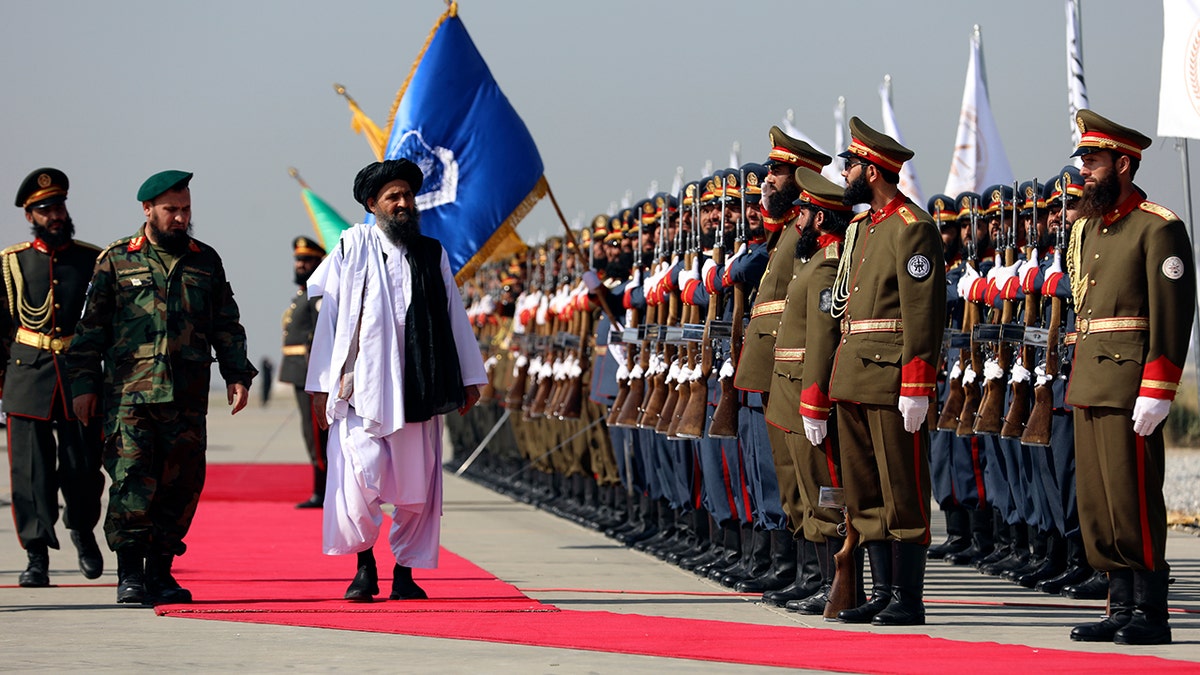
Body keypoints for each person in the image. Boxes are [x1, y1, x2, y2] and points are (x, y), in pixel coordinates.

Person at [68, 170, 257, 605]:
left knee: (181, 486)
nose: (180, 218)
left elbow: (225, 323)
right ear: (148, 210)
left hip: (187, 399)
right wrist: (83, 385)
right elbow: (90, 331)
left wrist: (236, 374)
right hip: (129, 399)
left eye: (186, 209)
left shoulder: (205, 260)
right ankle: (130, 574)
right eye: (171, 210)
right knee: (132, 482)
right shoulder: (116, 260)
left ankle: (161, 573)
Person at [305, 158, 486, 602]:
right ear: (373, 204)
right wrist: (321, 383)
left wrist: (468, 376)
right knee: (357, 478)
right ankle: (364, 567)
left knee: (415, 485)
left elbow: (454, 318)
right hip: (360, 387)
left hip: (419, 384)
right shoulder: (350, 247)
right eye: (393, 197)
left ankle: (405, 573)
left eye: (407, 195)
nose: (403, 203)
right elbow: (328, 317)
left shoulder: (432, 253)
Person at [1063, 110, 1194, 646]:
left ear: (1123, 163)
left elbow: (1173, 312)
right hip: (1092, 382)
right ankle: (1120, 606)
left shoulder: (1158, 227)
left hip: (1130, 385)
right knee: (1099, 504)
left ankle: (1150, 612)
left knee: (1134, 498)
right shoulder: (1088, 228)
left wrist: (1158, 389)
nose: (1084, 173)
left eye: (1092, 163)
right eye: (1084, 162)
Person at [828, 117, 945, 626]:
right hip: (853, 373)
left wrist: (917, 384)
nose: (846, 172)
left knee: (902, 488)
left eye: (851, 164)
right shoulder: (859, 229)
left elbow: (924, 313)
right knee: (865, 490)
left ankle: (908, 598)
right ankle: (880, 593)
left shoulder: (911, 228)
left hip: (893, 378)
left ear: (873, 171)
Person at [0, 168, 105, 587]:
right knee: (30, 474)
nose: (55, 215)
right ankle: (37, 555)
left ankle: (81, 528)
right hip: (27, 377)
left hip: (78, 376)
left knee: (82, 469)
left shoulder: (91, 259)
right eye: (46, 210)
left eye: (59, 206)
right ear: (31, 215)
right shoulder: (12, 263)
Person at [281, 236, 329, 508]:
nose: (300, 264)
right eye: (298, 260)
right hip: (299, 372)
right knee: (310, 435)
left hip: (311, 373)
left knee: (317, 435)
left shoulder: (317, 293)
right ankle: (320, 490)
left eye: (306, 260)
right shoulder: (304, 293)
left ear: (318, 262)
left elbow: (321, 333)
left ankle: (322, 491)